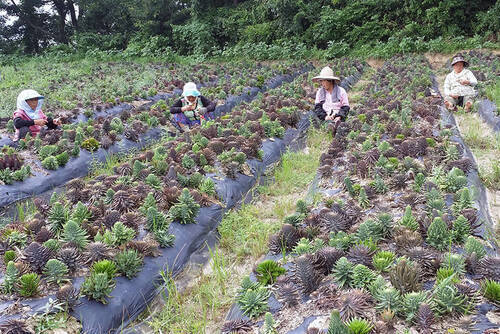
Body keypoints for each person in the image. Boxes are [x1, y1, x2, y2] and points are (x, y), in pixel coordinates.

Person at [312, 66, 350, 135]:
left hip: (338, 116)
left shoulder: (341, 91)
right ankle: (329, 128)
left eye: (324, 81)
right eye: (321, 81)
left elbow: (345, 107)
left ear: (330, 81)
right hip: (325, 117)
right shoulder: (320, 93)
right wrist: (325, 117)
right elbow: (317, 108)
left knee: (340, 125)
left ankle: (335, 127)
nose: (322, 83)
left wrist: (339, 116)